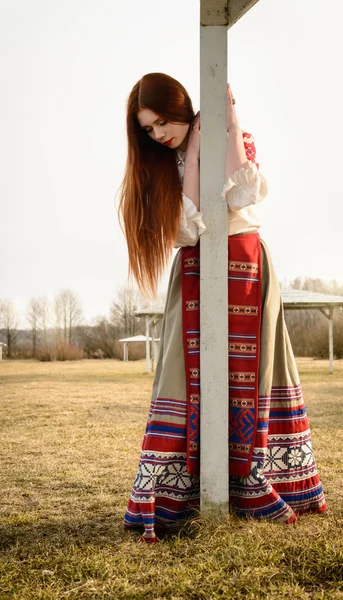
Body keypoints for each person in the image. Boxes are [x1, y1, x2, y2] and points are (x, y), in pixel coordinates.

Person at [119, 72, 326, 542]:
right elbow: (189, 231)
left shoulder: (238, 140)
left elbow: (241, 195)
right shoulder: (162, 163)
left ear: (181, 107)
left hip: (247, 264)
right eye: (148, 129)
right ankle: (184, 488)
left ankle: (254, 475)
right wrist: (188, 157)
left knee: (254, 370)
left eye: (161, 122)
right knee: (184, 372)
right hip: (194, 270)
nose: (157, 134)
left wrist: (226, 121)